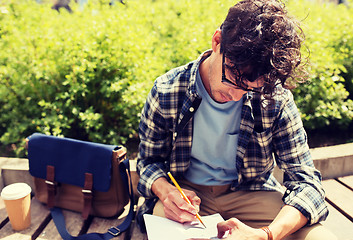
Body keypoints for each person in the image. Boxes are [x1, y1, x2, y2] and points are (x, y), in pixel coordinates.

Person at [136, 0, 337, 239]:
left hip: (252, 193)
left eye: (251, 88)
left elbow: (307, 184)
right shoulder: (168, 90)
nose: (235, 96)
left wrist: (265, 235)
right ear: (217, 41)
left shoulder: (276, 98)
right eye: (232, 78)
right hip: (188, 200)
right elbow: (148, 163)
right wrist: (166, 191)